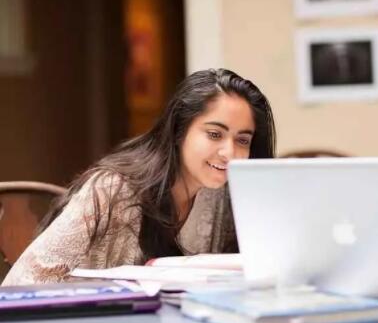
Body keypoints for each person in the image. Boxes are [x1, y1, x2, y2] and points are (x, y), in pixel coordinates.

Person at [2, 68, 276, 286]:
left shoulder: (223, 195)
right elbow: (18, 287)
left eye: (242, 140)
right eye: (214, 134)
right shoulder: (112, 189)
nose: (230, 153)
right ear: (178, 129)